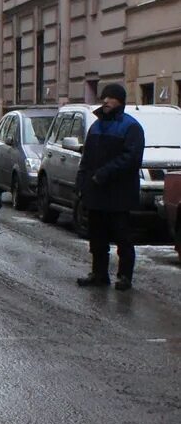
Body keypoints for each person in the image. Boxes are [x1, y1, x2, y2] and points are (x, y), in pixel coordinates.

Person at [76, 83, 144, 291]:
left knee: (122, 237)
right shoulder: (96, 126)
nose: (105, 101)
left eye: (110, 97)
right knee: (97, 236)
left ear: (120, 101)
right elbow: (86, 158)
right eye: (104, 97)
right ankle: (99, 273)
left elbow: (131, 158)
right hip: (96, 192)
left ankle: (124, 276)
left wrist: (105, 173)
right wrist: (82, 183)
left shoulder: (131, 127)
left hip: (119, 194)